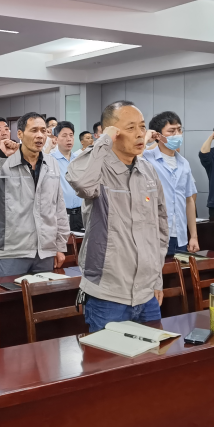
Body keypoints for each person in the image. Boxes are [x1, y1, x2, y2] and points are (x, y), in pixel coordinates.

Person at [67, 101, 168, 332]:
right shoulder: (98, 169)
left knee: (153, 355)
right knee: (108, 356)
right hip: (108, 295)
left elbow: (160, 227)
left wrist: (156, 278)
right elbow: (80, 182)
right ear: (113, 132)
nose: (140, 134)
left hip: (147, 294)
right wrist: (104, 140)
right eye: (131, 128)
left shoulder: (148, 171)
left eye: (142, 126)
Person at [0, 112, 68, 276]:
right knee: (9, 292)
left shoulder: (52, 163)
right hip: (12, 251)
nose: (40, 135)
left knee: (43, 293)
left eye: (43, 131)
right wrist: (0, 156)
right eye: (34, 130)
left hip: (45, 251)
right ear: (20, 134)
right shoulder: (4, 160)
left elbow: (59, 208)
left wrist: (60, 246)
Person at [142, 111, 199, 256]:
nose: (177, 134)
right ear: (158, 135)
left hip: (180, 236)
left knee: (179, 270)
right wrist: (146, 138)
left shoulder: (184, 163)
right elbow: (130, 160)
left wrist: (193, 236)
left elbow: (189, 200)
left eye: (179, 130)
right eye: (171, 131)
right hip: (154, 236)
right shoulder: (146, 159)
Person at [48, 121, 84, 231]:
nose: (69, 139)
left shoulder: (79, 159)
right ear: (56, 139)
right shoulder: (50, 160)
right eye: (64, 136)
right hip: (60, 215)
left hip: (81, 213)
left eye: (71, 135)